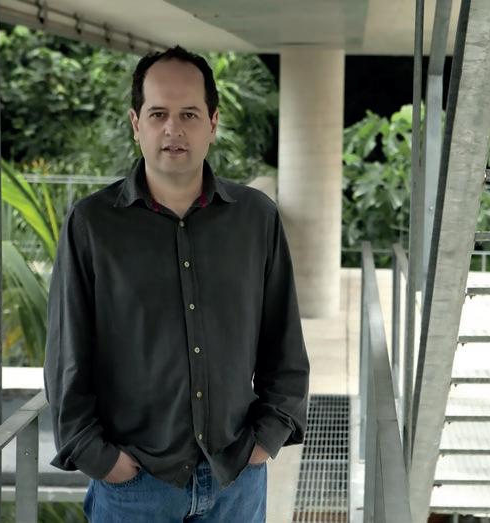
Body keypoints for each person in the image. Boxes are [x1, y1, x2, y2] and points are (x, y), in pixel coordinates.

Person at [43, 45, 310, 522]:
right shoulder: (92, 224)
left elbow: (284, 341)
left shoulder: (256, 219)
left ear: (212, 123)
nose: (173, 128)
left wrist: (267, 437)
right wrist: (101, 459)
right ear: (136, 123)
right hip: (135, 488)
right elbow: (68, 354)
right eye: (158, 114)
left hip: (236, 479)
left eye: (189, 114)